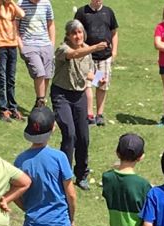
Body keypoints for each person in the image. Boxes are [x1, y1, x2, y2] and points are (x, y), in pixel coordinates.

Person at [52, 19, 107, 190]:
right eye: (74, 33)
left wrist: (99, 79)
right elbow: (74, 55)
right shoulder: (63, 49)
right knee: (69, 134)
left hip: (79, 96)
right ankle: (64, 174)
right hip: (61, 94)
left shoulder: (86, 52)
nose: (77, 36)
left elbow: (87, 72)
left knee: (83, 137)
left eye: (80, 32)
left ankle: (81, 175)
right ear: (68, 36)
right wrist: (95, 47)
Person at [74, 0, 118, 126]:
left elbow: (114, 32)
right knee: (87, 85)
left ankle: (99, 114)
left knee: (101, 84)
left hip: (104, 57)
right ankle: (89, 114)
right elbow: (76, 32)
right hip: (87, 56)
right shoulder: (82, 12)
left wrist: (114, 52)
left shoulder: (108, 12)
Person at [0, 0, 25, 122]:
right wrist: (5, 3)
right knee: (2, 79)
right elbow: (2, 16)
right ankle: (3, 109)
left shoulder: (12, 8)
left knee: (11, 79)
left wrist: (12, 3)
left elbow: (22, 15)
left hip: (12, 46)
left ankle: (13, 108)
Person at [16, 0, 54, 108]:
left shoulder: (46, 3)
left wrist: (52, 44)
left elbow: (50, 24)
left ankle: (41, 102)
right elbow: (15, 27)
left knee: (47, 75)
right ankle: (40, 102)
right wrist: (21, 47)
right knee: (39, 72)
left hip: (46, 44)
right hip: (29, 45)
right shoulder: (20, 4)